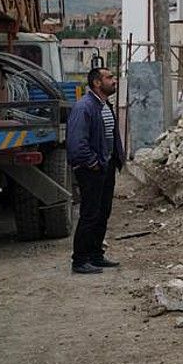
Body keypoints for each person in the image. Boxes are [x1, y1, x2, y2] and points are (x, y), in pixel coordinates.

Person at [66, 67, 124, 274]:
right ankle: (80, 260)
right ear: (97, 83)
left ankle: (95, 255)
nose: (114, 80)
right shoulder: (84, 107)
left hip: (105, 168)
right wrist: (93, 163)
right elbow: (76, 142)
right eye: (109, 78)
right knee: (90, 213)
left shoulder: (104, 105)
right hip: (92, 169)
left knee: (102, 213)